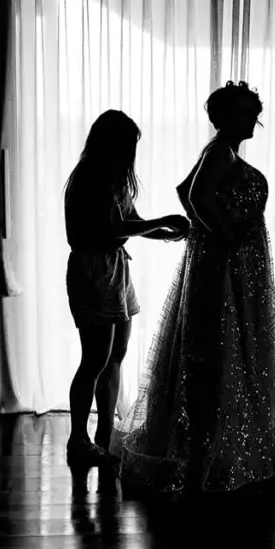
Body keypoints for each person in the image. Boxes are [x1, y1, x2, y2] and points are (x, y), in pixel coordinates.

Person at [109, 81, 275, 493]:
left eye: (255, 112)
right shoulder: (219, 152)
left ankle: (206, 437)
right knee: (217, 347)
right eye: (249, 113)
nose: (256, 120)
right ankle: (204, 446)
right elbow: (195, 195)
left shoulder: (220, 151)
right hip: (221, 265)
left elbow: (185, 191)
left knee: (217, 347)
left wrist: (214, 230)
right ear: (228, 117)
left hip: (220, 262)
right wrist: (225, 235)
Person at [63, 110, 190, 468]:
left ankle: (104, 434)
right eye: (129, 144)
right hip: (93, 271)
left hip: (116, 270)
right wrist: (163, 221)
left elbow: (129, 222)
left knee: (115, 355)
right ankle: (78, 439)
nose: (132, 152)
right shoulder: (89, 179)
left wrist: (161, 233)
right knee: (94, 359)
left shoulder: (114, 178)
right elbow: (112, 229)